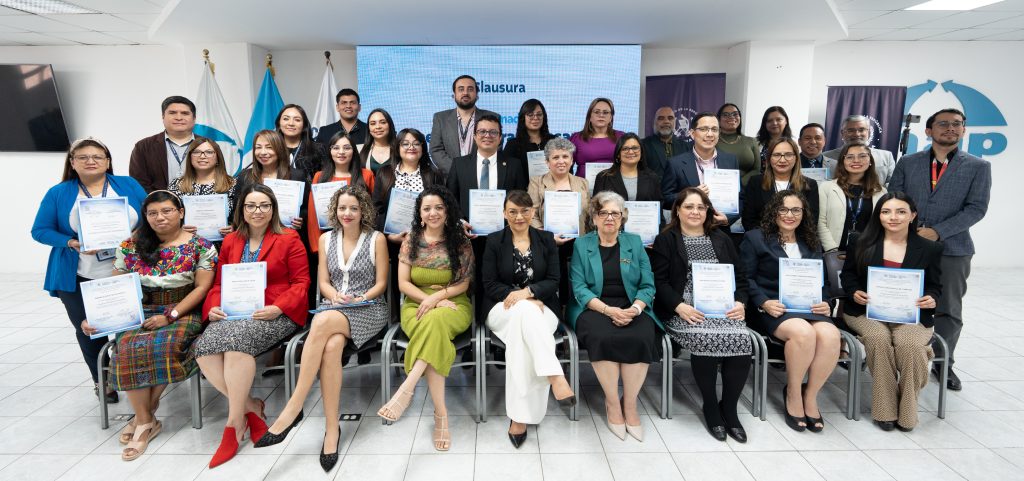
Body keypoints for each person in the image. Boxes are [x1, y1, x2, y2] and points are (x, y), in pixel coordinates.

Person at [255, 186, 389, 472]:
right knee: (332, 346)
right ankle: (331, 430)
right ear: (334, 210)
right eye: (342, 208)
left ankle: (294, 407)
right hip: (334, 306)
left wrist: (361, 297)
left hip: (368, 308)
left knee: (321, 321)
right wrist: (335, 295)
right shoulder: (326, 239)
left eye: (353, 208)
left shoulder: (376, 239)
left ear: (363, 210)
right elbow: (324, 282)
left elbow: (381, 284)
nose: (347, 213)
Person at [84, 191, 216, 461]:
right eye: (153, 213)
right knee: (127, 347)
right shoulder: (129, 246)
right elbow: (116, 286)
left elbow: (202, 288)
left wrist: (171, 315)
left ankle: (142, 417)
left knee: (164, 345)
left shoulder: (201, 246)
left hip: (182, 309)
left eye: (167, 211)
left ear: (181, 212)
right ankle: (146, 420)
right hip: (139, 310)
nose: (160, 217)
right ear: (145, 216)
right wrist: (96, 318)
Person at [194, 184, 310, 468]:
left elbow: (301, 282)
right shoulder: (231, 241)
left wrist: (278, 307)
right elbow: (219, 283)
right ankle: (251, 408)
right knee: (203, 349)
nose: (258, 211)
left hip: (273, 312)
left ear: (273, 209)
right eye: (251, 206)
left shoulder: (289, 238)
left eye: (264, 205)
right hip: (233, 312)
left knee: (237, 347)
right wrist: (214, 307)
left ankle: (233, 425)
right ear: (242, 210)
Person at [31, 138, 146, 404]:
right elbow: (40, 230)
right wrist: (72, 242)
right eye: (83, 157)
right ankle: (102, 381)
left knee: (131, 326)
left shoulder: (128, 184)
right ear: (72, 163)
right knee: (90, 330)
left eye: (97, 156)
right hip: (78, 274)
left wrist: (137, 237)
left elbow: (151, 216)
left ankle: (133, 376)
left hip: (126, 271)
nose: (91, 161)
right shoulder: (59, 193)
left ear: (108, 161)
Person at [887, 108, 991, 392]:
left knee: (948, 309)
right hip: (908, 244)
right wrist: (908, 228)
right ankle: (896, 356)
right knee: (901, 301)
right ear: (928, 130)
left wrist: (937, 231)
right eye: (943, 123)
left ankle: (944, 364)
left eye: (957, 124)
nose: (950, 128)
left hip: (953, 248)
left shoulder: (978, 167)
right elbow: (895, 197)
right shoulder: (908, 162)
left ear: (964, 130)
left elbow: (976, 208)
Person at [377, 186, 474, 452]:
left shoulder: (460, 241)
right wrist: (429, 300)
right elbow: (403, 284)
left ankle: (407, 388)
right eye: (427, 208)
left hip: (454, 304)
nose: (433, 213)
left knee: (436, 322)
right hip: (415, 305)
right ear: (419, 213)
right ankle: (441, 415)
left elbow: (464, 284)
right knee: (434, 329)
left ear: (448, 211)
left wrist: (438, 298)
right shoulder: (411, 240)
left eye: (439, 208)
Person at [651, 188, 749, 443]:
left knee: (742, 340)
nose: (695, 212)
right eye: (689, 207)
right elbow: (659, 281)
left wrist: (741, 303)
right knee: (704, 338)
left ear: (708, 212)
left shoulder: (722, 238)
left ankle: (729, 408)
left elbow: (740, 278)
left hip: (723, 309)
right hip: (684, 310)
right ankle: (711, 406)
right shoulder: (666, 239)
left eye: (700, 207)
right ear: (677, 211)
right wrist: (678, 306)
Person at [840, 192, 943, 432]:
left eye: (901, 212)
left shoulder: (930, 248)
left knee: (910, 346)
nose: (893, 217)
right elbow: (848, 275)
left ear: (913, 215)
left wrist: (932, 298)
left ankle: (907, 411)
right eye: (886, 212)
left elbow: (936, 286)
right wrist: (854, 291)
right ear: (879, 215)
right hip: (865, 312)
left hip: (911, 314)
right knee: (878, 339)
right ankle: (884, 410)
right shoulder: (860, 241)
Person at [482, 191, 576, 448]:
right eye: (512, 211)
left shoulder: (546, 239)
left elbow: (554, 280)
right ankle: (555, 375)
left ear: (533, 212)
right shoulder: (494, 240)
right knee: (525, 313)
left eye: (525, 211)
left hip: (543, 308)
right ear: (504, 213)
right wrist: (521, 299)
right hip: (501, 308)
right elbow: (489, 283)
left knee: (521, 340)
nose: (519, 216)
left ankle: (519, 418)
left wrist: (528, 293)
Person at [740, 190, 838, 433]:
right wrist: (763, 302)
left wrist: (826, 301)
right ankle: (793, 392)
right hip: (772, 308)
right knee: (803, 333)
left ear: (804, 214)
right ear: (773, 212)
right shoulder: (755, 238)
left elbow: (823, 282)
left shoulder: (811, 241)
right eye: (783, 209)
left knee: (830, 335)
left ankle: (810, 395)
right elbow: (744, 278)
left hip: (809, 307)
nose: (789, 215)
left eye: (796, 210)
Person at [568, 191, 660, 442]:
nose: (609, 218)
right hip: (594, 307)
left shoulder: (634, 242)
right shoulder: (582, 244)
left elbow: (648, 284)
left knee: (641, 336)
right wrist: (608, 310)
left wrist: (636, 309)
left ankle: (629, 403)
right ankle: (612, 403)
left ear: (622, 217)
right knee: (602, 336)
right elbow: (579, 287)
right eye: (603, 213)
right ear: (594, 218)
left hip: (631, 305)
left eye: (615, 213)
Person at [527, 137, 589, 305]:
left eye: (565, 156)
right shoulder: (537, 182)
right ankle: (556, 309)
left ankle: (573, 309)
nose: (561, 161)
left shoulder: (583, 183)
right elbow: (531, 213)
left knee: (576, 283)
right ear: (547, 162)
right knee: (554, 284)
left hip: (578, 242)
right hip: (547, 242)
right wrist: (548, 237)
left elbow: (588, 215)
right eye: (555, 157)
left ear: (572, 160)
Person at [661, 113, 738, 228]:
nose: (710, 134)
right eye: (704, 129)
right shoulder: (676, 164)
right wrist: (691, 193)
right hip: (687, 228)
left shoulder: (731, 161)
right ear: (692, 134)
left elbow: (740, 197)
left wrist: (728, 218)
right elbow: (666, 199)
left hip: (721, 229)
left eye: (714, 129)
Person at [447, 114, 528, 222]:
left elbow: (521, 200)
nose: (487, 135)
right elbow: (450, 199)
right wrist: (460, 222)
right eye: (482, 131)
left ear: (500, 138)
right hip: (467, 229)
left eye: (493, 132)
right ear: (474, 136)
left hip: (505, 229)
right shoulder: (459, 164)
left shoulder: (514, 165)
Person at [306, 132, 374, 253]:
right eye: (336, 148)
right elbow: (313, 216)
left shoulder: (366, 175)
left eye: (347, 148)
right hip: (328, 240)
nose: (341, 152)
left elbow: (373, 212)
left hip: (361, 240)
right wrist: (317, 247)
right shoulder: (319, 177)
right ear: (330, 151)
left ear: (353, 151)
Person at [817, 141, 886, 253]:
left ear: (870, 161)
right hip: (834, 251)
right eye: (850, 157)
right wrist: (832, 249)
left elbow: (881, 225)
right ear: (842, 161)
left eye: (862, 156)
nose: (856, 160)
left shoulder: (880, 191)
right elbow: (820, 222)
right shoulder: (827, 187)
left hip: (867, 252)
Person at [233, 130, 308, 230]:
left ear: (279, 149)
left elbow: (306, 209)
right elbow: (237, 210)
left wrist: (301, 220)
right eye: (258, 147)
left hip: (285, 233)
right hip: (253, 233)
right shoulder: (244, 176)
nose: (263, 152)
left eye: (269, 147)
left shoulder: (296, 176)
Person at [169, 137, 238, 244]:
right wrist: (179, 229)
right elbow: (169, 215)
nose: (202, 156)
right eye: (196, 152)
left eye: (209, 152)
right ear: (190, 157)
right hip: (187, 245)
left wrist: (234, 228)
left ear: (218, 157)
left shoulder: (233, 184)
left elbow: (242, 216)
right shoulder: (177, 185)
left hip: (224, 245)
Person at [742, 138, 820, 231]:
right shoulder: (755, 182)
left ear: (796, 158)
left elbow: (811, 222)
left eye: (788, 155)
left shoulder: (809, 185)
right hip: (762, 238)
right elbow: (748, 220)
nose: (782, 160)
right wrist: (770, 237)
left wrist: (789, 237)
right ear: (769, 158)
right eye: (777, 155)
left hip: (796, 238)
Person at [429, 75, 498, 174]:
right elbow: (436, 150)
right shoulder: (440, 118)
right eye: (461, 89)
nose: (465, 93)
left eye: (470, 89)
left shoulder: (493, 117)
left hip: (481, 176)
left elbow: (496, 147)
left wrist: (474, 171)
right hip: (450, 177)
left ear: (477, 95)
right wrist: (457, 170)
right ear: (454, 95)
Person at [129, 95, 196, 192]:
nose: (179, 117)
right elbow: (138, 184)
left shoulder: (208, 144)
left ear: (194, 118)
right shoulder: (143, 146)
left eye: (185, 113)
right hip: (158, 201)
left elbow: (217, 177)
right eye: (172, 113)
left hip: (200, 200)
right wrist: (160, 200)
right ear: (163, 117)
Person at [823, 115, 897, 187]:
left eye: (861, 130)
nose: (857, 134)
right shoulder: (826, 156)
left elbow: (892, 185)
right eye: (851, 130)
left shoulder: (886, 156)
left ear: (869, 132)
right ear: (842, 133)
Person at [594, 133, 663, 205]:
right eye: (625, 148)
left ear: (641, 152)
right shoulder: (603, 177)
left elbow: (658, 205)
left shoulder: (652, 178)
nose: (630, 152)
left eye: (635, 148)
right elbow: (596, 206)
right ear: (618, 154)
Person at [502, 99, 557, 180]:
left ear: (544, 117)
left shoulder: (554, 142)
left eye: (539, 114)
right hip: (523, 188)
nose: (535, 118)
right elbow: (507, 174)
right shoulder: (513, 145)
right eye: (530, 115)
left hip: (552, 187)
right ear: (523, 118)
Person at [571, 98, 625, 178]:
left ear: (611, 117)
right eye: (597, 112)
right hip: (583, 185)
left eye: (605, 112)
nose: (601, 115)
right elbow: (566, 165)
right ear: (590, 116)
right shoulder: (576, 138)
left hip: (615, 184)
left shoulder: (621, 137)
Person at [276, 104, 327, 182]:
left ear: (304, 125)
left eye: (297, 120)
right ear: (279, 123)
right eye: (286, 119)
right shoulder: (272, 149)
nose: (291, 123)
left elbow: (326, 178)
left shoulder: (318, 149)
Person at [715, 103, 760, 185]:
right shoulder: (712, 141)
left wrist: (739, 184)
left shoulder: (751, 141)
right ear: (718, 120)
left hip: (747, 188)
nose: (731, 117)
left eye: (735, 114)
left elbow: (757, 170)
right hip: (719, 187)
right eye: (725, 115)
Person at [641, 106, 691, 178]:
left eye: (670, 118)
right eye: (661, 118)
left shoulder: (686, 147)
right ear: (654, 122)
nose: (666, 121)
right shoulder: (643, 145)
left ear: (674, 122)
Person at [359, 108, 397, 173]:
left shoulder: (400, 149)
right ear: (368, 128)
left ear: (390, 125)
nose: (378, 127)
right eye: (373, 124)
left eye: (383, 122)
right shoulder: (358, 150)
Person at [755, 106, 792, 173]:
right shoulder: (755, 143)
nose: (774, 123)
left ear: (786, 121)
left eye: (778, 119)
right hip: (759, 179)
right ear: (765, 124)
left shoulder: (794, 146)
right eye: (769, 121)